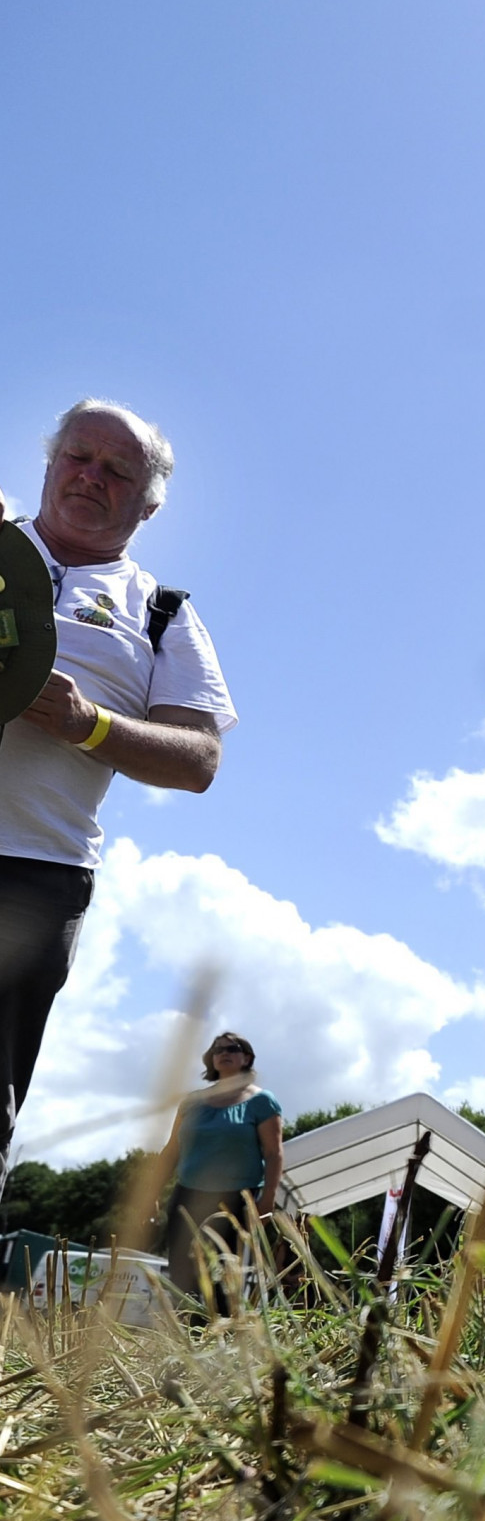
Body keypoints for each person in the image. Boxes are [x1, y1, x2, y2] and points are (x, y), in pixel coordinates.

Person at [0, 401, 236, 1184]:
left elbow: (199, 759)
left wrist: (90, 724)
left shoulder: (163, 614)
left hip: (32, 876)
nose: (90, 477)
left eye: (117, 471)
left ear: (149, 503)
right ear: (49, 460)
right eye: (78, 457)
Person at [159, 1032, 282, 1315]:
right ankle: (186, 1332)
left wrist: (267, 1200)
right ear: (211, 1060)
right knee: (182, 1272)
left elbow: (273, 1153)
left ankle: (223, 1332)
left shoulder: (261, 1102)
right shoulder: (191, 1102)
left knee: (224, 1275)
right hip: (187, 1196)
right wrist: (152, 1191)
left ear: (246, 1058)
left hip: (235, 1201)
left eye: (232, 1048)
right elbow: (171, 1150)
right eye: (217, 1050)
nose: (224, 1053)